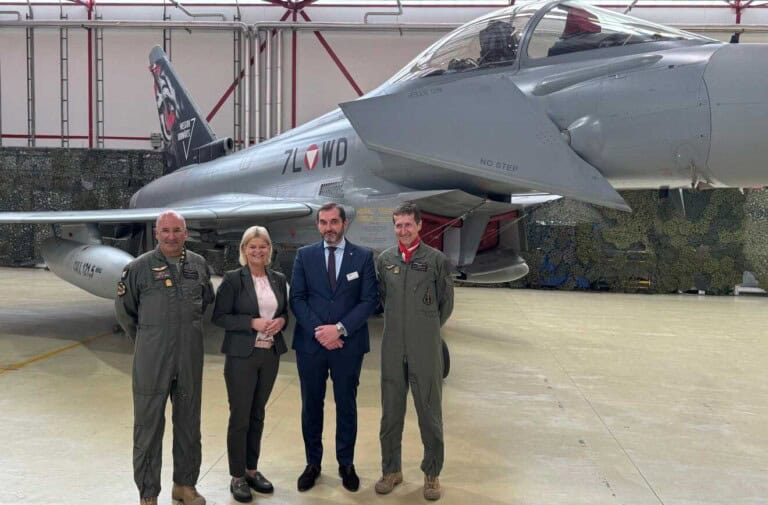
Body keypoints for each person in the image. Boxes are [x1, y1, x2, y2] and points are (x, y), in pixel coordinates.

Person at [115, 210, 215, 505]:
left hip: (189, 358)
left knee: (189, 424)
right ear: (156, 233)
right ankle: (148, 494)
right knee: (148, 427)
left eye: (177, 230)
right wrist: (150, 340)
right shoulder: (138, 268)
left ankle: (184, 485)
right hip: (152, 360)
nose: (172, 236)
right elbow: (125, 313)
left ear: (186, 233)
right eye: (166, 231)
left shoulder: (198, 265)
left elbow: (205, 301)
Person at [290, 202, 378, 493]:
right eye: (323, 222)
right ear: (318, 225)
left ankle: (346, 464)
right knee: (311, 406)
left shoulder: (363, 257)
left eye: (334, 222)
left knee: (346, 405)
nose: (329, 228)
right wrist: (321, 332)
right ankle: (312, 463)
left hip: (348, 345)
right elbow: (297, 298)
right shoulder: (304, 255)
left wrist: (339, 329)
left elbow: (369, 300)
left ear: (344, 224)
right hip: (311, 345)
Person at [374, 201, 454, 501]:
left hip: (425, 346)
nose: (403, 230)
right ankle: (391, 470)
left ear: (419, 225)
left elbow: (445, 303)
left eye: (408, 224)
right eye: (398, 225)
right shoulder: (385, 260)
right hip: (393, 345)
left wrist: (425, 328)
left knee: (429, 412)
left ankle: (432, 474)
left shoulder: (436, 260)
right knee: (390, 412)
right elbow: (383, 298)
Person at [212, 226, 289, 503]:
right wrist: (251, 322)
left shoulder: (278, 279)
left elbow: (284, 312)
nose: (258, 251)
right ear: (244, 250)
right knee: (240, 417)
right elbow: (219, 317)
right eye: (252, 246)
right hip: (241, 357)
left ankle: (251, 470)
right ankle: (237, 476)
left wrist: (281, 321)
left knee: (257, 414)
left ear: (269, 250)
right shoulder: (234, 279)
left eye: (263, 246)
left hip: (269, 356)